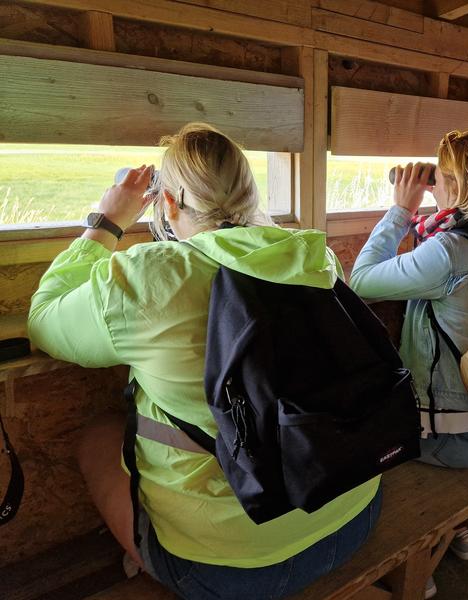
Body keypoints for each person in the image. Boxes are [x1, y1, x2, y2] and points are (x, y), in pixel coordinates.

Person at [27, 123, 381, 600]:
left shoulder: (149, 276)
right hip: (353, 513)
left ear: (166, 203)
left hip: (228, 570)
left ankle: (148, 553)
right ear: (249, 193)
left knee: (98, 436)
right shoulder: (315, 256)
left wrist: (107, 221)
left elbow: (44, 320)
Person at [349, 128, 468, 597]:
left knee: (353, 440)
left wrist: (401, 210)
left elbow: (361, 280)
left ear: (457, 183)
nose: (434, 186)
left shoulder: (450, 250)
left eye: (439, 176)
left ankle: (417, 566)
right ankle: (459, 526)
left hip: (456, 441)